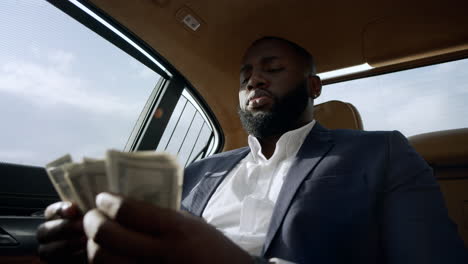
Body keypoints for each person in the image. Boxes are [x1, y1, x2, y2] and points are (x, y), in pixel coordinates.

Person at [36, 37, 468, 264]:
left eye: (273, 69)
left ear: (313, 87)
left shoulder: (383, 152)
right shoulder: (198, 170)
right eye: (246, 75)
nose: (254, 80)